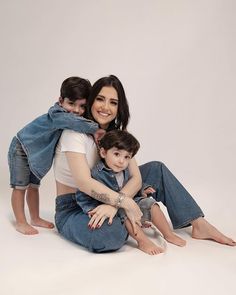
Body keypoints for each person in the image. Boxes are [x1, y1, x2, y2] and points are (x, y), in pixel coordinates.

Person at [54, 75, 235, 253]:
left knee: (156, 169)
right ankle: (129, 226)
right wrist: (125, 202)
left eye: (113, 102)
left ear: (119, 108)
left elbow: (136, 178)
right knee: (110, 235)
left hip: (111, 190)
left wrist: (116, 204)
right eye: (100, 99)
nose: (105, 107)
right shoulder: (75, 133)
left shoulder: (116, 135)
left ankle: (199, 224)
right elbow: (84, 183)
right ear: (91, 101)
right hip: (75, 206)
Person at [8, 76, 101, 235]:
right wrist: (96, 129)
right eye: (71, 104)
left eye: (82, 106)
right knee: (20, 187)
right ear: (60, 100)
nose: (76, 110)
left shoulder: (72, 117)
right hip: (21, 148)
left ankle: (35, 218)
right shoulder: (57, 114)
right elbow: (73, 122)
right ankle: (21, 222)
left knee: (34, 187)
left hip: (36, 155)